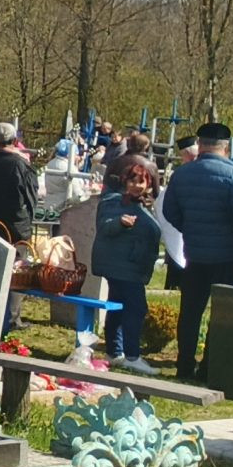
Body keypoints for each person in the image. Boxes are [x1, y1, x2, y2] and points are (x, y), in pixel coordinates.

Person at [160, 123, 233, 381]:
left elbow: (170, 212)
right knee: (221, 314)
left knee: (190, 312)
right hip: (228, 256)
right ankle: (209, 367)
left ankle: (184, 364)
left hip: (195, 253)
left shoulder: (182, 174)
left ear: (200, 143)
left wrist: (191, 229)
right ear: (227, 146)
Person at [92, 158, 165, 371]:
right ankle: (132, 357)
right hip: (122, 266)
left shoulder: (145, 203)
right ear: (125, 182)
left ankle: (115, 352)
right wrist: (120, 223)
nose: (136, 185)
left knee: (117, 305)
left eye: (141, 182)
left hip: (130, 265)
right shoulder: (114, 202)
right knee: (136, 308)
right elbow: (104, 227)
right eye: (132, 181)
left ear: (149, 184)